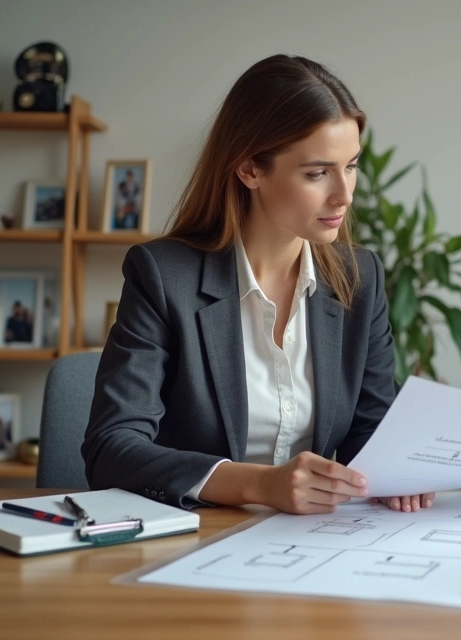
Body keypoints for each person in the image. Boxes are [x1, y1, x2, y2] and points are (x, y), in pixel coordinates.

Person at [82, 55, 432, 514]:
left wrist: (395, 473)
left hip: (311, 547)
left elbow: (369, 432)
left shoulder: (359, 277)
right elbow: (111, 447)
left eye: (351, 166)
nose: (345, 194)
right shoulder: (163, 276)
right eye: (318, 173)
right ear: (249, 169)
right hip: (190, 545)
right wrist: (260, 485)